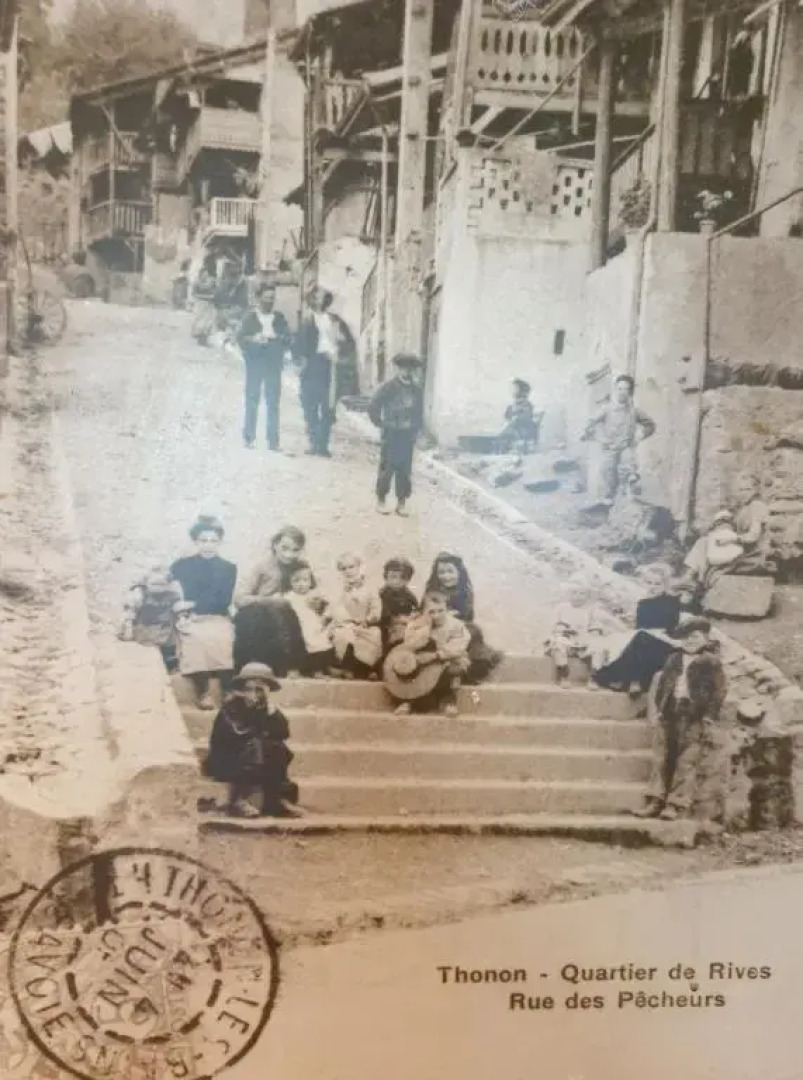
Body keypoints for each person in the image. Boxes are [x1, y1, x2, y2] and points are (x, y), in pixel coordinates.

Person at [637, 618, 726, 822]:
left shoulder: (711, 662)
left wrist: (709, 716)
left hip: (693, 715)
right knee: (661, 757)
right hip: (670, 712)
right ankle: (655, 800)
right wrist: (660, 708)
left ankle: (675, 804)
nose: (690, 641)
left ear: (705, 639)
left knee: (686, 761)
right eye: (685, 637)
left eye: (695, 637)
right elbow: (664, 685)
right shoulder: (674, 658)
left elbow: (719, 691)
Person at [204, 662, 302, 819]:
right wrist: (255, 714)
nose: (255, 693)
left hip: (256, 760)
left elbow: (283, 733)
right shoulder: (233, 706)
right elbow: (239, 734)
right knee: (255, 745)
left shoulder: (266, 708)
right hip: (228, 759)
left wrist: (272, 712)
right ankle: (237, 800)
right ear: (242, 689)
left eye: (260, 689)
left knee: (278, 748)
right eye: (250, 688)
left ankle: (277, 800)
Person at [170, 515, 237, 710]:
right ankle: (204, 691)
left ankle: (228, 690)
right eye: (203, 541)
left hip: (217, 616)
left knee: (222, 637)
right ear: (195, 541)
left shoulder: (228, 568)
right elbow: (172, 590)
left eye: (213, 541)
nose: (208, 545)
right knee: (195, 638)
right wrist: (183, 608)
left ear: (220, 542)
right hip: (191, 618)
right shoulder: (181, 566)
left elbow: (223, 600)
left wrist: (192, 603)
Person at [233, 525, 307, 677]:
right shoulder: (261, 566)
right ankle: (254, 665)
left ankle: (293, 666)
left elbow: (310, 589)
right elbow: (239, 599)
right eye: (284, 548)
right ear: (275, 545)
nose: (289, 554)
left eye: (295, 550)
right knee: (260, 615)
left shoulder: (300, 567)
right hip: (259, 614)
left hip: (287, 613)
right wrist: (269, 601)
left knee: (291, 613)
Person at [383, 590, 471, 717]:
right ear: (423, 612)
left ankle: (448, 702)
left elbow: (458, 646)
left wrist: (436, 655)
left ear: (447, 609)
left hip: (447, 658)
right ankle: (407, 701)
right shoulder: (417, 625)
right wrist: (425, 627)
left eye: (441, 611)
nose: (437, 615)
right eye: (431, 612)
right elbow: (410, 644)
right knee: (409, 668)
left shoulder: (456, 625)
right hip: (423, 660)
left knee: (452, 671)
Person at [294, 286, 359, 457]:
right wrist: (300, 362)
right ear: (311, 300)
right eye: (315, 297)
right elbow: (299, 345)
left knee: (328, 406)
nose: (318, 300)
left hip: (331, 365)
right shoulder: (307, 321)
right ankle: (314, 442)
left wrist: (341, 349)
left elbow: (350, 342)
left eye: (322, 297)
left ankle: (322, 445)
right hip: (312, 365)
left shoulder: (335, 321)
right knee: (310, 404)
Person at [424, 552, 502, 683]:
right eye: (441, 572)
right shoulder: (432, 592)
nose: (446, 576)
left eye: (450, 571)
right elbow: (427, 610)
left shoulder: (463, 592)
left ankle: (469, 669)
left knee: (472, 632)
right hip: (438, 625)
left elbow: (466, 613)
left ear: (459, 573)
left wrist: (451, 616)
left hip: (460, 625)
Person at [583, 374, 656, 507]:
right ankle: (607, 506)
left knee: (628, 471)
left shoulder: (634, 412)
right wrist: (601, 439)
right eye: (620, 389)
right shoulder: (606, 409)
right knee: (607, 475)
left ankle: (625, 503)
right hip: (609, 449)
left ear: (630, 392)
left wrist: (640, 434)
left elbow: (650, 425)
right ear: (615, 390)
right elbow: (589, 425)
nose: (622, 392)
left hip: (626, 448)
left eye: (626, 389)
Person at [368, 353, 425, 517]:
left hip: (407, 435)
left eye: (409, 369)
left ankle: (401, 503)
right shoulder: (389, 387)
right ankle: (381, 500)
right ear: (398, 369)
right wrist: (380, 423)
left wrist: (417, 429)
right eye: (403, 368)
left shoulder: (416, 390)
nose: (406, 372)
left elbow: (419, 413)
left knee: (404, 470)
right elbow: (374, 405)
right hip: (392, 432)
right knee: (387, 467)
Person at [237, 282, 291, 451]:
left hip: (273, 363)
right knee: (252, 399)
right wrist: (254, 339)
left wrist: (276, 338)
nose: (269, 301)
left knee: (273, 402)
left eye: (272, 298)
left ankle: (273, 441)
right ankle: (249, 437)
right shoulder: (251, 318)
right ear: (259, 298)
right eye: (266, 298)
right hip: (256, 362)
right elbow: (240, 338)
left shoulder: (279, 318)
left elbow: (287, 338)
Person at [330, 553, 383, 679]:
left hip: (366, 624)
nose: (348, 571)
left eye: (351, 567)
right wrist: (346, 621)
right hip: (347, 624)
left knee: (374, 635)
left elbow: (376, 608)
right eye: (344, 568)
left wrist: (368, 620)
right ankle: (348, 667)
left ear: (359, 567)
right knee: (343, 635)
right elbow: (337, 609)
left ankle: (369, 668)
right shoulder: (340, 590)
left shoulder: (370, 588)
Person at [119, 566, 182, 671]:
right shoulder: (141, 595)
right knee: (145, 651)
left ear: (168, 584)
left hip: (165, 628)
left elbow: (178, 608)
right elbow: (130, 611)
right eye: (154, 584)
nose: (158, 588)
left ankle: (170, 665)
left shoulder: (172, 595)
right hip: (145, 627)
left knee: (169, 646)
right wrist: (128, 623)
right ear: (146, 584)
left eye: (162, 584)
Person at [284, 562, 334, 677]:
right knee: (303, 639)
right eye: (296, 581)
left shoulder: (314, 594)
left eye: (305, 580)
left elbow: (330, 605)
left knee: (321, 640)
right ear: (289, 582)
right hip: (298, 625)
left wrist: (325, 616)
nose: (301, 584)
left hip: (314, 625)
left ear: (311, 581)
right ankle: (296, 668)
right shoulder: (289, 596)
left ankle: (318, 669)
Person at [379, 556, 419, 653]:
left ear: (408, 580)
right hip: (387, 625)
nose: (397, 581)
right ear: (386, 576)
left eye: (403, 578)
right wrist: (398, 620)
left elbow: (417, 609)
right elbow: (383, 615)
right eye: (393, 577)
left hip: (407, 623)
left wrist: (413, 617)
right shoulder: (382, 594)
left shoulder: (408, 594)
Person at [498, 378, 539, 453]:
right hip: (514, 429)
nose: (513, 391)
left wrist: (516, 417)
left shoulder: (526, 405)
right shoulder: (513, 405)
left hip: (522, 430)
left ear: (523, 392)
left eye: (515, 389)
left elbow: (525, 418)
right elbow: (507, 416)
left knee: (505, 435)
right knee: (503, 434)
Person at [190, 260, 217, 345]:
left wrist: (212, 297)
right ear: (200, 274)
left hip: (209, 303)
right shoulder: (196, 282)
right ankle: (196, 333)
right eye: (203, 274)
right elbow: (194, 294)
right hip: (200, 302)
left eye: (206, 274)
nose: (205, 276)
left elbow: (215, 291)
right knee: (198, 318)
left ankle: (205, 334)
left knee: (208, 319)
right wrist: (205, 297)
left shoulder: (211, 281)